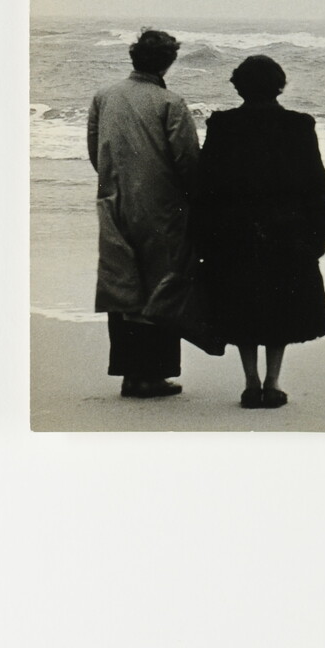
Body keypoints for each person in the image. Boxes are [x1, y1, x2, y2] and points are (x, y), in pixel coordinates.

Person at [193, 54, 325, 409]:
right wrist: (322, 232)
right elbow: (316, 182)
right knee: (280, 304)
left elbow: (206, 183)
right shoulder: (300, 125)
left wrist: (200, 231)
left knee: (242, 304)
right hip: (287, 227)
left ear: (239, 86)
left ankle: (250, 382)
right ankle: (272, 383)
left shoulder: (223, 125)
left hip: (234, 229)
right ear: (279, 85)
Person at [88, 28, 217, 398]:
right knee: (161, 286)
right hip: (162, 208)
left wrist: (117, 182)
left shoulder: (104, 96)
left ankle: (129, 374)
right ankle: (153, 374)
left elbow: (96, 152)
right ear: (168, 62)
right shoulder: (170, 103)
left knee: (124, 285)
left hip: (114, 201)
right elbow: (187, 162)